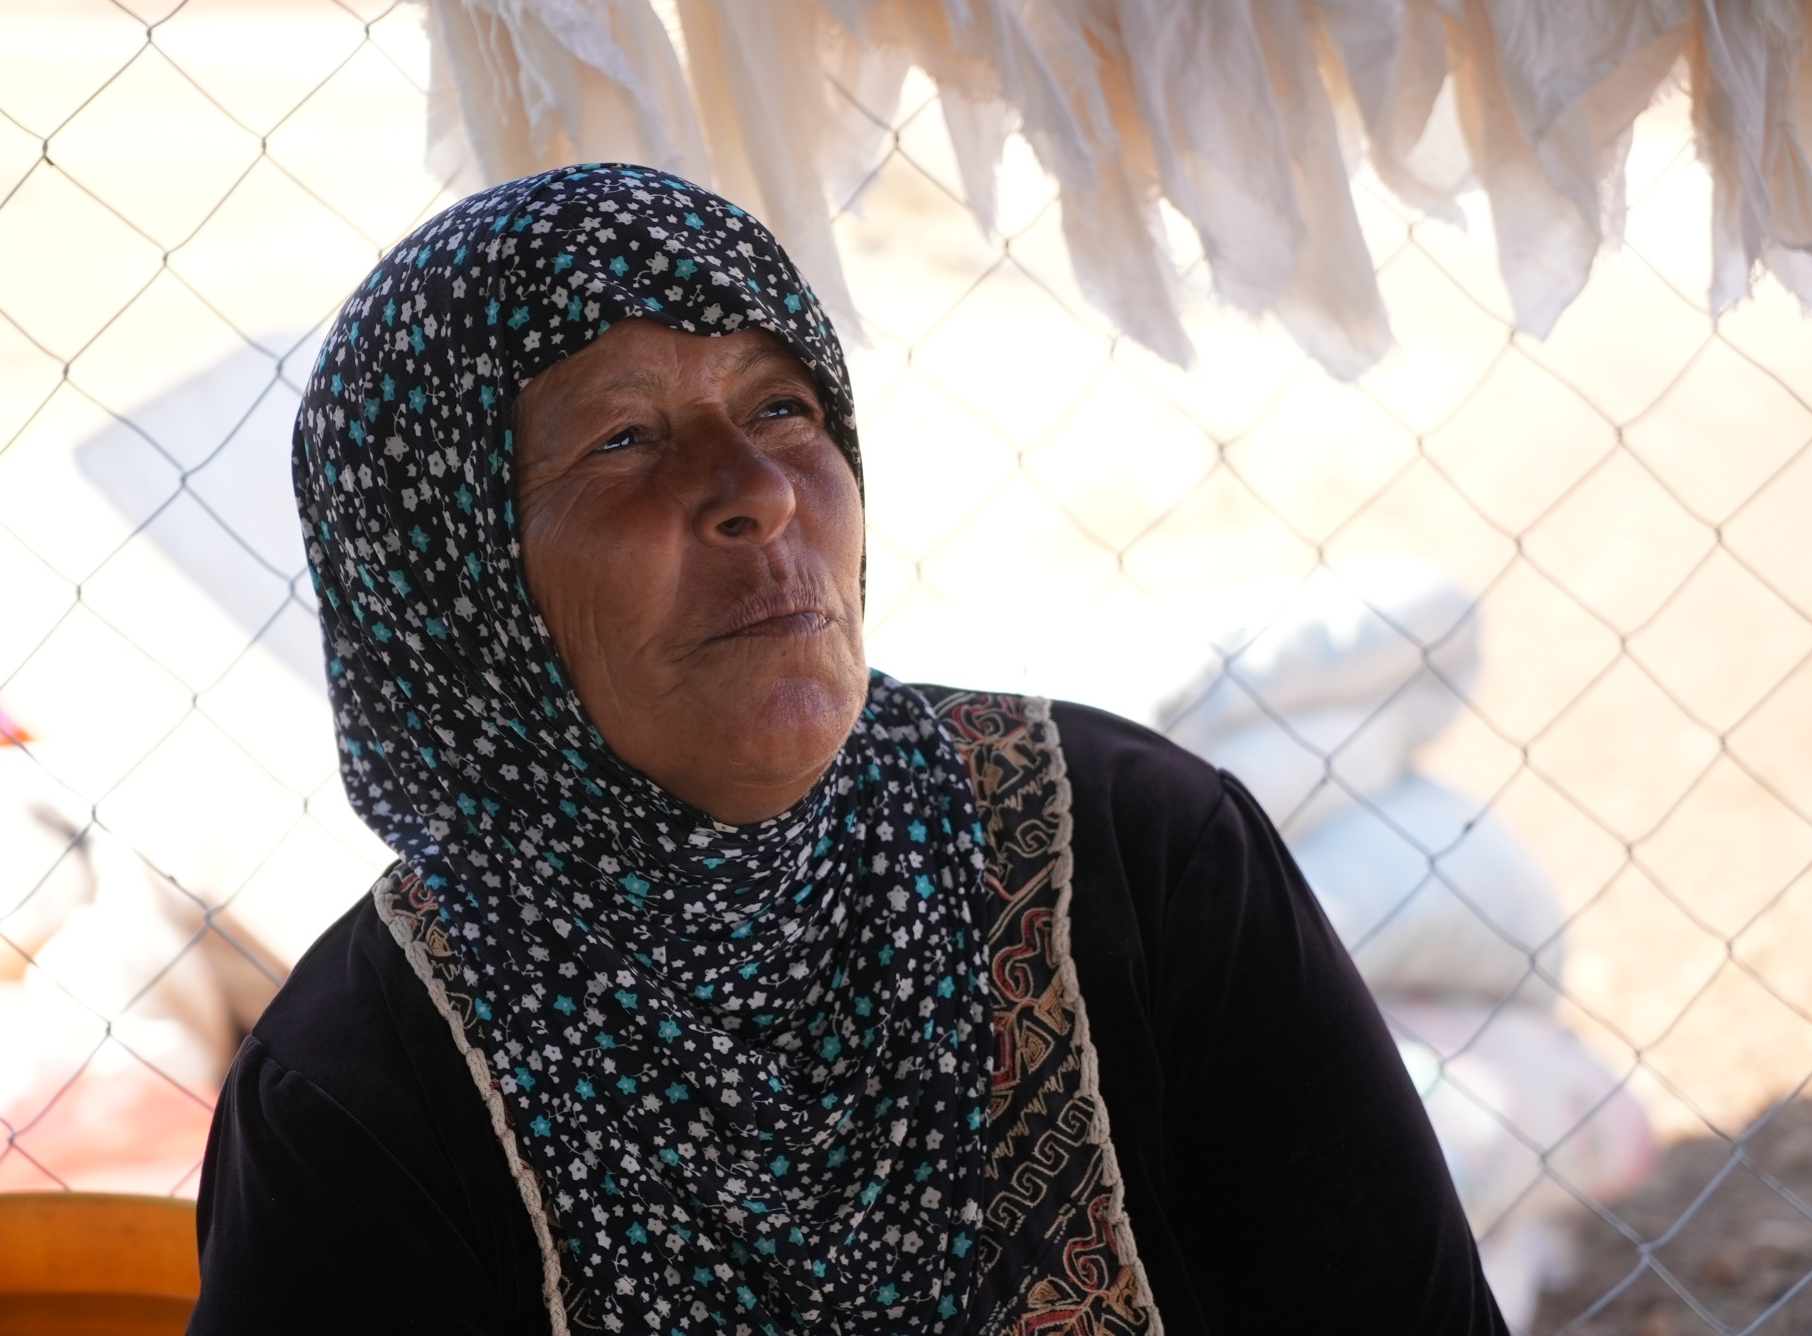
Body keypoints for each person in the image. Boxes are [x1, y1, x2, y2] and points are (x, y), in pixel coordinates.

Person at [186, 164, 1507, 1336]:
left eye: (781, 406)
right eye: (626, 438)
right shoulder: (367, 1092)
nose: (760, 493)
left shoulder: (1139, 857)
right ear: (450, 582)